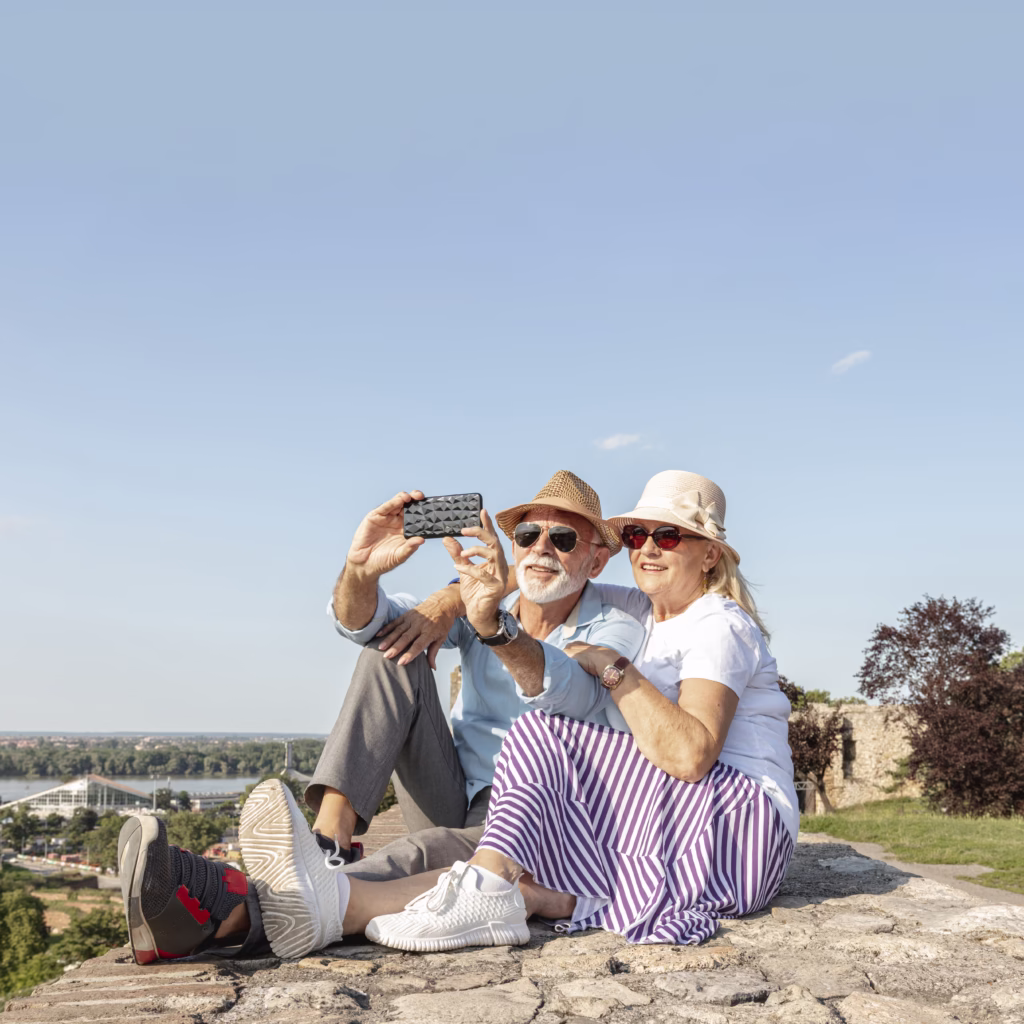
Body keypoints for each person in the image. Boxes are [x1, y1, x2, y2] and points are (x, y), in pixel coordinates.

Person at [118, 470, 645, 963]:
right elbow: (366, 623)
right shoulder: (483, 599)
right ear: (514, 545)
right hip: (456, 787)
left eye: (565, 540)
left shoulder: (618, 619)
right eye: (529, 535)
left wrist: (485, 622)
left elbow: (570, 691)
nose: (542, 550)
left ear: (596, 561)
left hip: (536, 816)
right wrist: (360, 572)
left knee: (428, 851)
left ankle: (229, 911)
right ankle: (329, 842)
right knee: (393, 652)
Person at [363, 470, 798, 949]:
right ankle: (334, 903)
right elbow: (543, 570)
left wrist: (612, 666)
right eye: (637, 535)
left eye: (669, 536)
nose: (648, 549)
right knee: (528, 867)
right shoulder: (643, 608)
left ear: (710, 553)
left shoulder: (716, 624)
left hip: (738, 827)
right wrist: (450, 598)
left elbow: (691, 756)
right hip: (676, 818)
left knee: (541, 731)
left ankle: (482, 888)